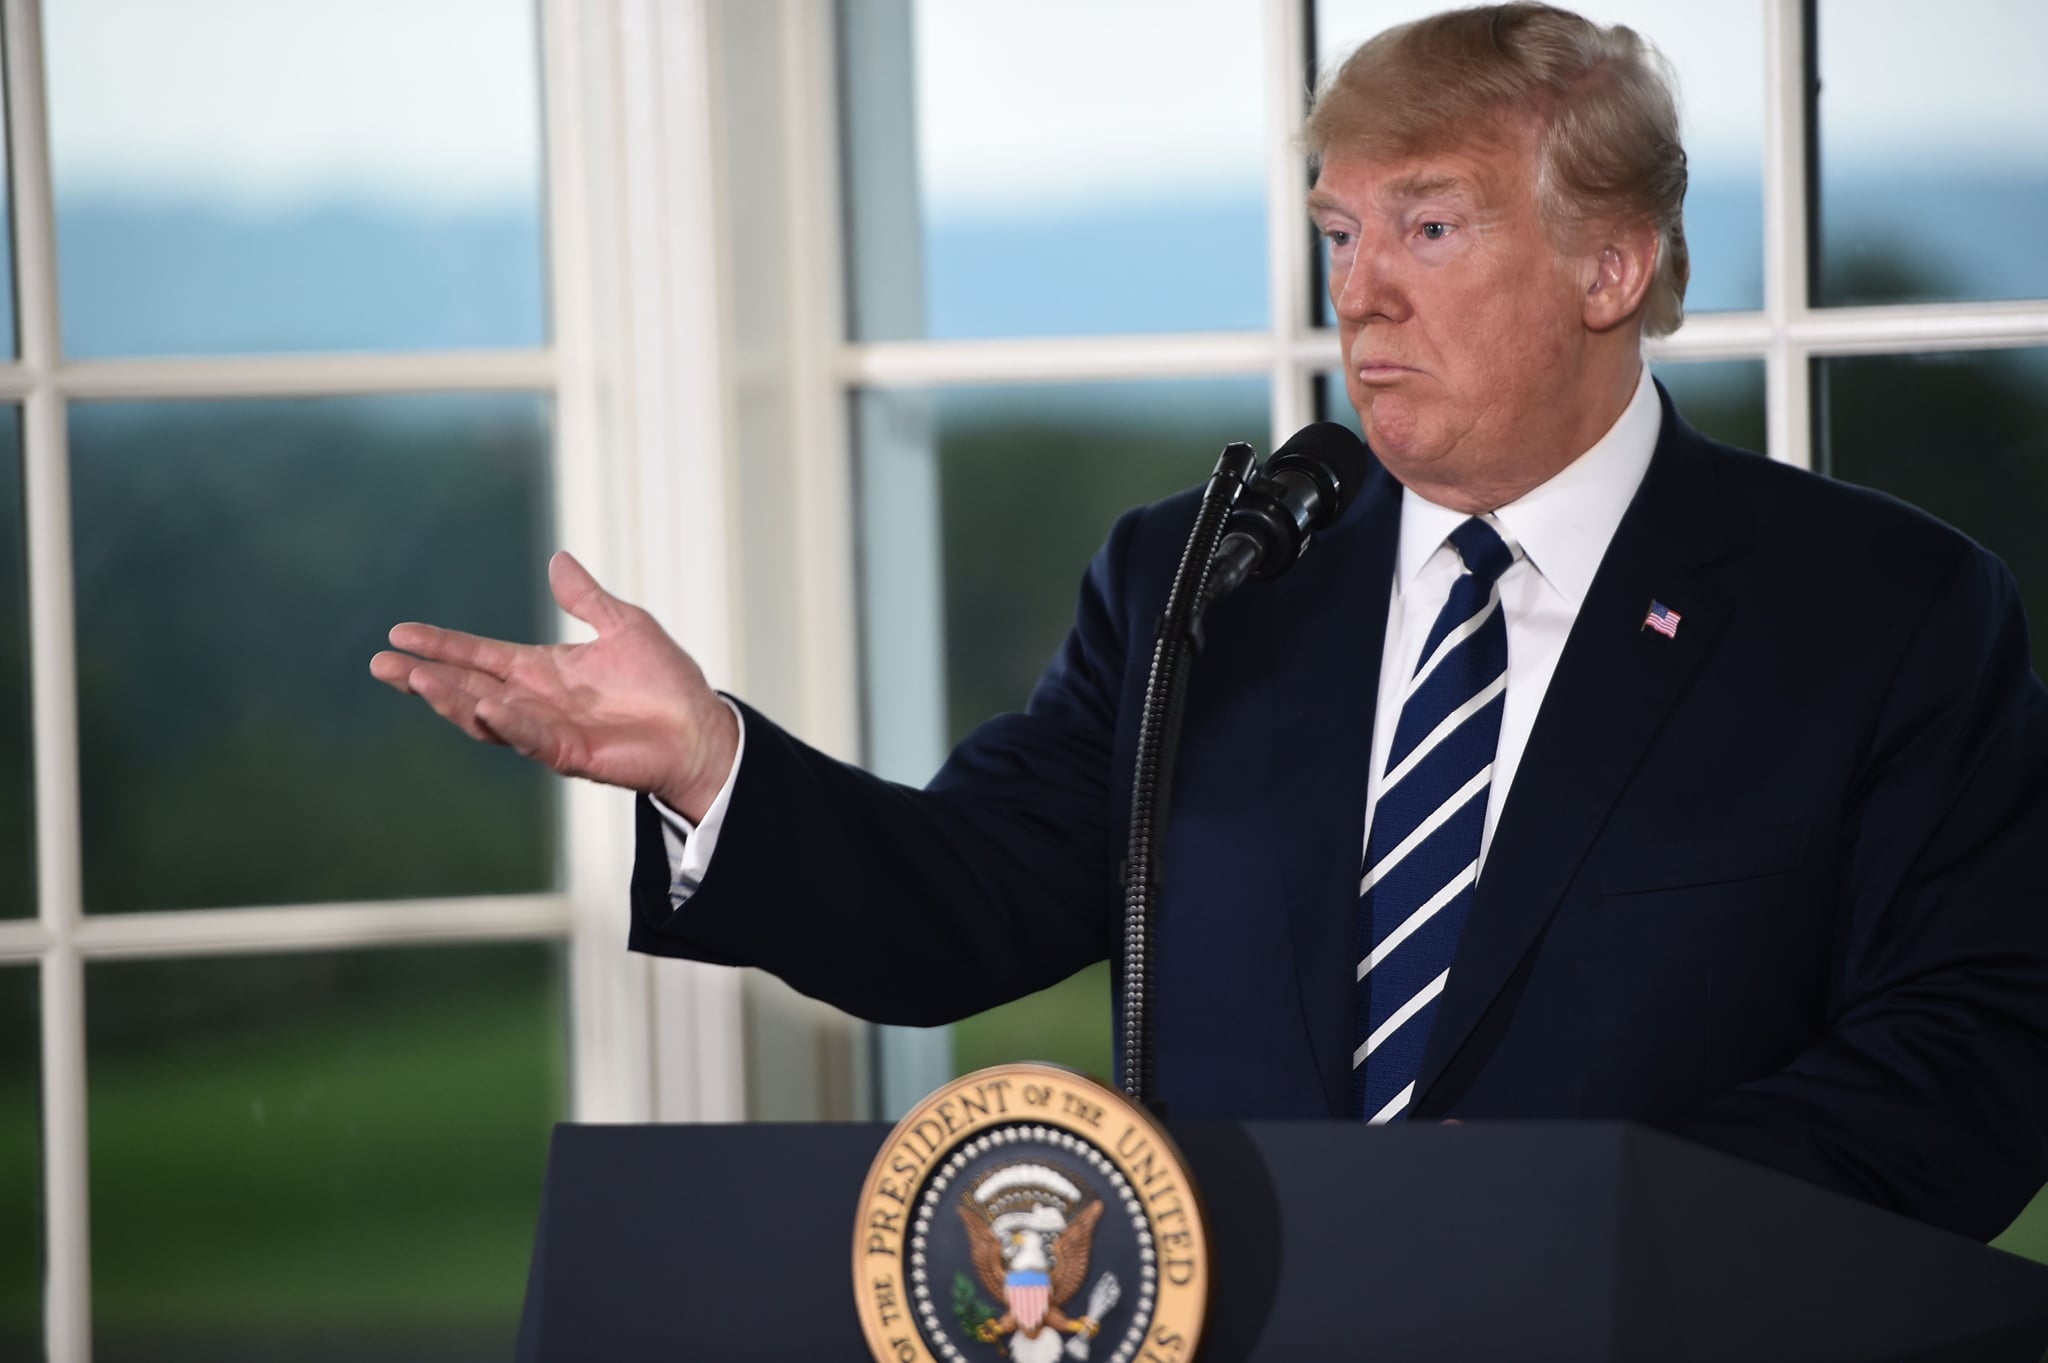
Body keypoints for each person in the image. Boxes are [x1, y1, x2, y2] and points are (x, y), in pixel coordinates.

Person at [371, 3, 2048, 1241]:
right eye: (1339, 231)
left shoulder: (1884, 616)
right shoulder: (1205, 582)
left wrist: (1580, 1220)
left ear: (1612, 266)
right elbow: (959, 909)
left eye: (1430, 227)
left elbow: (1972, 1064)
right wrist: (714, 764)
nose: (1361, 289)